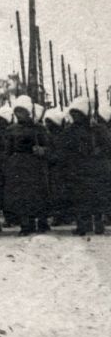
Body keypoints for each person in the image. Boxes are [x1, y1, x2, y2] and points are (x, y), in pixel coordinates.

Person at [2, 95, 50, 236]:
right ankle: (25, 224)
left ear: (28, 112)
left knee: (36, 194)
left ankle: (40, 221)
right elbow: (7, 150)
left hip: (35, 165)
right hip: (18, 166)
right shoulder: (11, 130)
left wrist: (42, 150)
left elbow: (49, 147)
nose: (19, 114)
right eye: (17, 111)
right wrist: (7, 164)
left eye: (22, 111)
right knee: (21, 196)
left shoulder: (39, 129)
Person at [61, 97, 107, 235]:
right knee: (79, 198)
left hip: (95, 167)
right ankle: (83, 225)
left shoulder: (98, 129)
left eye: (77, 114)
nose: (75, 117)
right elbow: (64, 148)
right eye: (73, 114)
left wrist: (100, 150)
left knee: (96, 197)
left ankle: (98, 224)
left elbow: (107, 146)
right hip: (78, 168)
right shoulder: (70, 131)